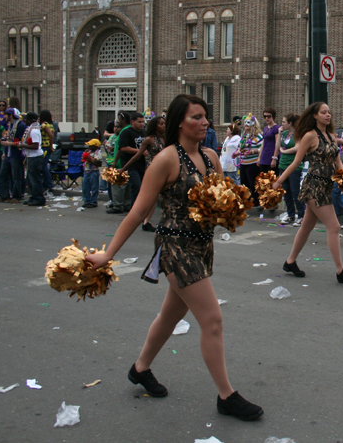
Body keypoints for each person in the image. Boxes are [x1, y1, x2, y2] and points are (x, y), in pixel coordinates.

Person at [87, 94, 264, 422]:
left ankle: (140, 369)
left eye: (206, 117)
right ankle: (227, 395)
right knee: (212, 320)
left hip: (202, 246)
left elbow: (219, 198)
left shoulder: (211, 156)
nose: (205, 122)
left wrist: (230, 208)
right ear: (179, 122)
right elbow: (139, 210)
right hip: (175, 248)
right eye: (197, 117)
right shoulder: (166, 159)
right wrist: (108, 254)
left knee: (170, 316)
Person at [272, 102, 343, 283]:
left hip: (327, 186)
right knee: (334, 227)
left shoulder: (330, 136)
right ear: (315, 115)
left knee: (306, 227)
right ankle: (340, 270)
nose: (328, 115)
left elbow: (338, 161)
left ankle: (290, 262)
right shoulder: (309, 136)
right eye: (323, 112)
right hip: (314, 186)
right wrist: (279, 181)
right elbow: (296, 162)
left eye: (329, 112)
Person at [121, 116, 166, 231]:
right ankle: (143, 220)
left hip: (165, 170)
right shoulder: (149, 139)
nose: (164, 126)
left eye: (164, 124)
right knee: (153, 196)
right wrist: (123, 168)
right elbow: (137, 155)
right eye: (161, 124)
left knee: (159, 197)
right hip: (153, 170)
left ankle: (147, 221)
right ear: (155, 126)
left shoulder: (166, 139)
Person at [276, 113, 305, 227]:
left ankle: (301, 215)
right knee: (286, 191)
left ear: (290, 123)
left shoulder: (298, 134)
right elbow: (278, 146)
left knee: (295, 191)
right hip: (283, 165)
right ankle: (290, 214)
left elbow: (297, 148)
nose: (282, 124)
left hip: (294, 165)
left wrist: (284, 152)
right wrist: (279, 135)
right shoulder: (283, 134)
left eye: (284, 122)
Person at [0, 108, 26, 204]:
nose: (4, 117)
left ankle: (17, 196)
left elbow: (21, 141)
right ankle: (4, 196)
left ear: (11, 116)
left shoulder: (20, 126)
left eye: (6, 115)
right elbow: (10, 138)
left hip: (16, 154)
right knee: (2, 175)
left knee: (16, 176)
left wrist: (9, 144)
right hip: (8, 153)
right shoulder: (10, 125)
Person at [117, 112, 147, 207]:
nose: (142, 124)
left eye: (143, 122)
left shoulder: (144, 133)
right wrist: (139, 151)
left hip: (142, 164)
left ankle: (139, 207)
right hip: (130, 164)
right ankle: (134, 208)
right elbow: (123, 148)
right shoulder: (127, 132)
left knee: (142, 187)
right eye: (139, 122)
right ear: (133, 122)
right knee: (136, 186)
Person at [107, 112, 133, 214]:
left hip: (121, 162)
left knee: (118, 186)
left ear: (123, 120)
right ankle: (126, 204)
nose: (117, 122)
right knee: (126, 185)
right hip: (127, 162)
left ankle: (118, 205)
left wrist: (115, 162)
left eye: (119, 119)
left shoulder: (124, 132)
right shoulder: (128, 131)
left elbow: (120, 149)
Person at [19, 112, 46, 206]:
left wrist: (22, 145)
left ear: (30, 120)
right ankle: (33, 197)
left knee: (34, 179)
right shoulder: (31, 129)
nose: (24, 121)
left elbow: (35, 145)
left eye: (26, 119)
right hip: (30, 156)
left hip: (35, 157)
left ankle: (39, 198)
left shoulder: (34, 131)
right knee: (30, 180)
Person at [236, 115, 263, 208]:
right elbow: (241, 147)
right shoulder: (244, 136)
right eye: (245, 122)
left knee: (253, 183)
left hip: (253, 163)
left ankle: (256, 203)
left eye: (249, 122)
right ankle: (246, 202)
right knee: (244, 183)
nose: (246, 125)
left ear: (253, 124)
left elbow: (262, 149)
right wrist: (237, 153)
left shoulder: (258, 136)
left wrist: (252, 151)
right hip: (244, 162)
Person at [81, 139, 103, 208]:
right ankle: (86, 201)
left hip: (94, 172)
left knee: (94, 188)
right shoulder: (88, 152)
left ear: (95, 146)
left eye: (90, 145)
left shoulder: (98, 153)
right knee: (85, 187)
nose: (89, 146)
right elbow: (82, 161)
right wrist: (84, 156)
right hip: (86, 171)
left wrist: (91, 161)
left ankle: (93, 201)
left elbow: (99, 164)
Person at [39, 110, 56, 198]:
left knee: (43, 165)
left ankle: (48, 183)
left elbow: (51, 135)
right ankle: (47, 182)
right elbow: (53, 134)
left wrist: (49, 145)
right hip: (47, 147)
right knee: (45, 165)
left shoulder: (44, 125)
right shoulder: (51, 125)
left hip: (44, 146)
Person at [259, 108, 280, 173]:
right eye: (265, 116)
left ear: (273, 117)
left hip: (271, 157)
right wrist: (259, 157)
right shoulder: (265, 128)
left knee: (272, 179)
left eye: (269, 116)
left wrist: (274, 158)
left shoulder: (276, 128)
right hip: (264, 157)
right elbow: (263, 143)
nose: (266, 118)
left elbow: (277, 144)